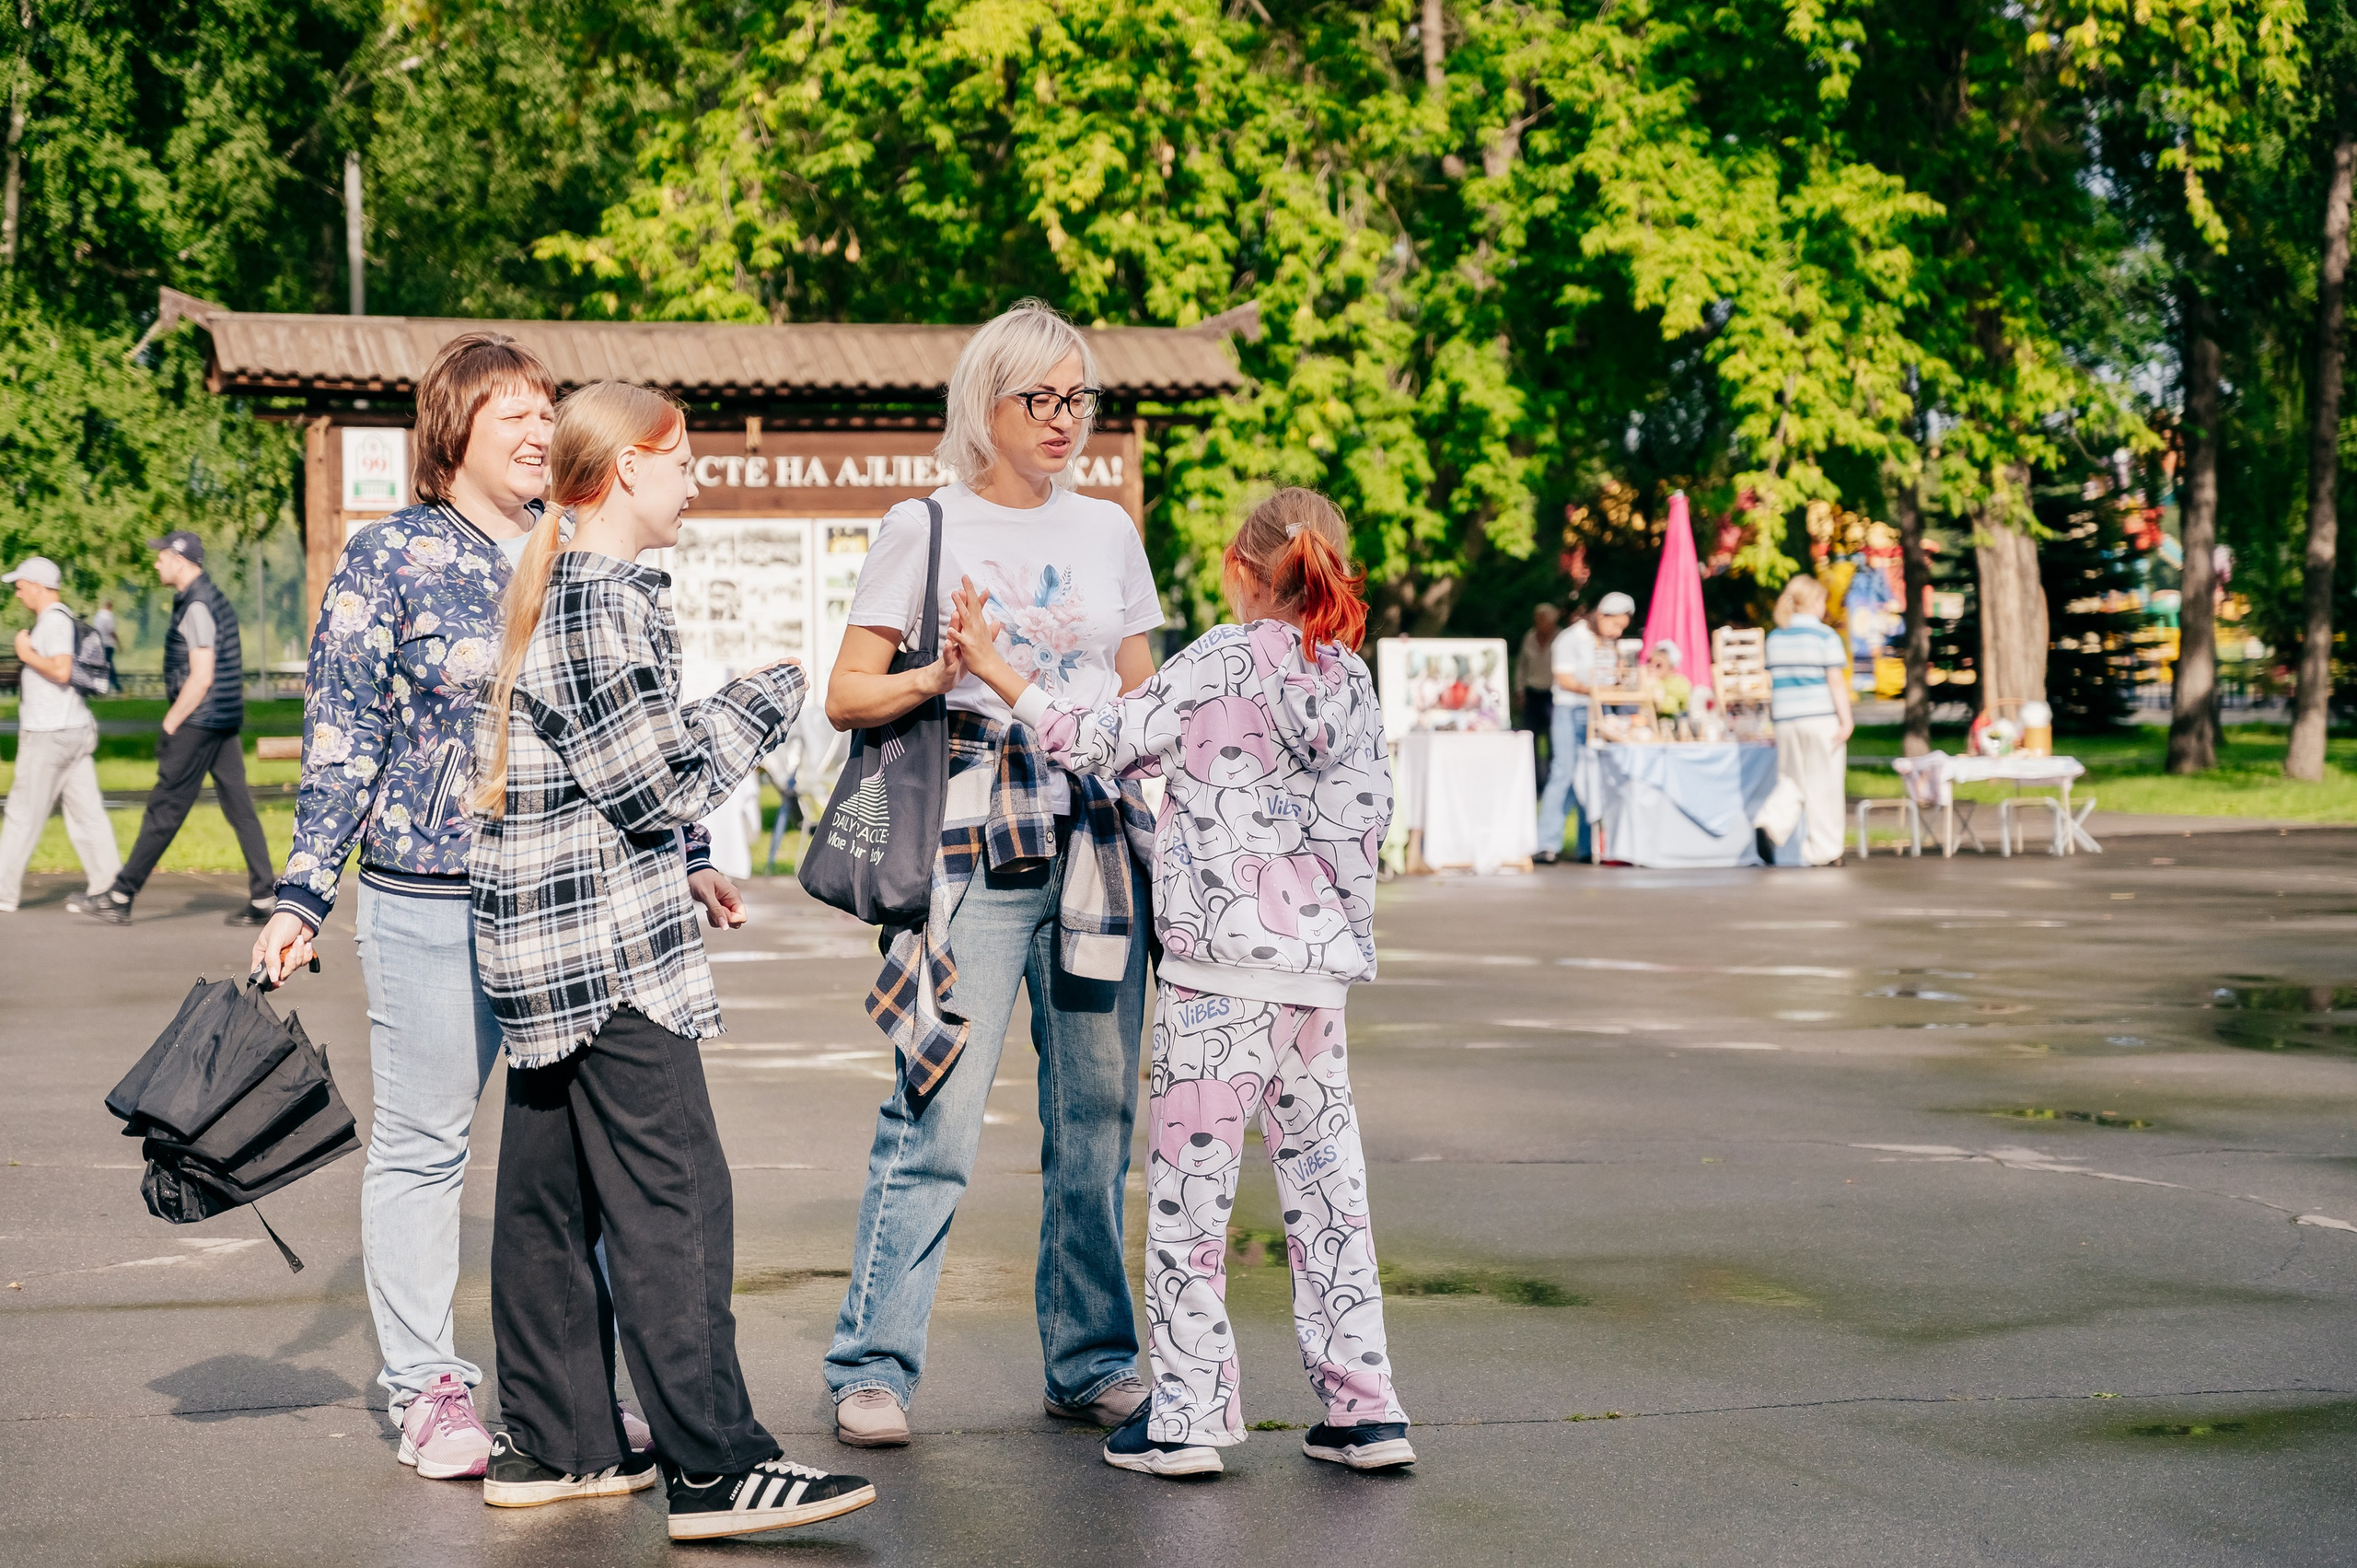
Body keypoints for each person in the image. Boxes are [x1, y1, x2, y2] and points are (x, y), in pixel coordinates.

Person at [251, 332, 729, 1481]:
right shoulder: (393, 560)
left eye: (544, 408)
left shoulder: (574, 550)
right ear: (451, 432)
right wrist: (305, 891)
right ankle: (427, 1387)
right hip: (430, 896)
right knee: (425, 1145)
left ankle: (569, 1398)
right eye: (509, 411)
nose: (533, 427)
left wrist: (692, 846)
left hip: (571, 899)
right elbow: (344, 738)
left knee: (573, 1165)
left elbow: (638, 717)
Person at [468, 379, 872, 1539]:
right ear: (628, 468)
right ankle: (714, 1464)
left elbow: (616, 776)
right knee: (676, 1193)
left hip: (546, 939)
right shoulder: (601, 596)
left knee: (548, 1201)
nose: (699, 475)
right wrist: (763, 697)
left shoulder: (571, 586)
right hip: (607, 951)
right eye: (684, 456)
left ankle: (555, 1442)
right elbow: (659, 784)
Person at [944, 486, 1413, 1478]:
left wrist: (995, 667)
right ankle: (1364, 1410)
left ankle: (1189, 1418)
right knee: (1329, 1194)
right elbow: (1371, 817)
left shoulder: (1218, 659)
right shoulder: (1352, 678)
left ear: (1241, 572)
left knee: (1192, 1205)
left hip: (1215, 978)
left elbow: (1098, 738)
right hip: (1316, 985)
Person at [822, 299, 1159, 1447]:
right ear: (987, 403)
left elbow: (1139, 697)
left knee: (1097, 1119)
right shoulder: (926, 525)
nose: (1068, 420)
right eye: (1043, 399)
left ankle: (1092, 1360)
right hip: (969, 830)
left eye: (1081, 398)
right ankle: (870, 1364)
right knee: (936, 1107)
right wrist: (945, 673)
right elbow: (847, 692)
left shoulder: (1110, 529)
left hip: (1095, 833)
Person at [75, 531, 274, 925]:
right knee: (240, 807)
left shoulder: (197, 605)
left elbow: (201, 676)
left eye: (161, 557)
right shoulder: (207, 597)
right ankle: (266, 896)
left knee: (164, 810)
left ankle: (120, 895)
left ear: (180, 561)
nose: (156, 563)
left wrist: (170, 723)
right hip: (222, 718)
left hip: (200, 720)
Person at [0, 557, 119, 911]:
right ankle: (109, 886)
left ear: (37, 585)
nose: (18, 594)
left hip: (48, 733)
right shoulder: (60, 619)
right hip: (73, 729)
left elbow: (61, 669)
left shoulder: (52, 622)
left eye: (21, 586)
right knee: (87, 814)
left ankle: (3, 890)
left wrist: (25, 653)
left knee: (23, 813)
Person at [1533, 590, 1632, 864]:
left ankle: (1588, 846)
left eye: (1622, 628)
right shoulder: (1571, 638)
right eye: (1614, 625)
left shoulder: (1610, 644)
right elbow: (1563, 678)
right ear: (1601, 615)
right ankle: (1546, 842)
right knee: (1564, 771)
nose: (1617, 631)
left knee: (1592, 774)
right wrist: (1594, 689)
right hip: (1570, 708)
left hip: (1597, 711)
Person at [1764, 574, 1852, 865]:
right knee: (1824, 784)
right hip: (1820, 718)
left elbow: (1772, 681)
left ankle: (1771, 823)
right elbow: (1835, 682)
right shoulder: (1825, 636)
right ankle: (1824, 851)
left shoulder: (1775, 637)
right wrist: (1846, 720)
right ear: (1815, 602)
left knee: (1792, 778)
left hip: (1786, 719)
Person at [1517, 603, 1560, 784]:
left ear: (1551, 622)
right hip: (1532, 693)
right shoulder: (1529, 637)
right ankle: (1533, 780)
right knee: (1529, 737)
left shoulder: (1560, 637)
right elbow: (1521, 665)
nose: (1538, 622)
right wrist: (1519, 690)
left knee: (1554, 739)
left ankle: (1553, 780)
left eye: (1542, 619)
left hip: (1553, 694)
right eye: (1536, 618)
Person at [92, 598, 119, 692]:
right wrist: (119, 643)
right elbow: (111, 631)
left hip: (98, 644)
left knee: (102, 665)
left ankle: (101, 686)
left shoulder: (98, 615)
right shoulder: (108, 615)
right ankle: (116, 685)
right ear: (110, 606)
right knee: (109, 665)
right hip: (107, 644)